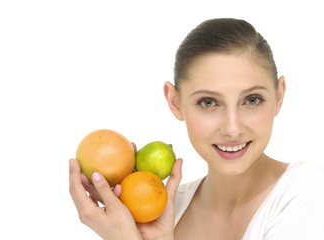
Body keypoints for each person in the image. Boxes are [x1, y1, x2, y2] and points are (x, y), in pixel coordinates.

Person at [69, 18, 324, 239]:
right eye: (209, 102)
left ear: (279, 96)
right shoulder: (164, 209)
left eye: (252, 100)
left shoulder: (309, 191)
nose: (232, 129)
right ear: (175, 102)